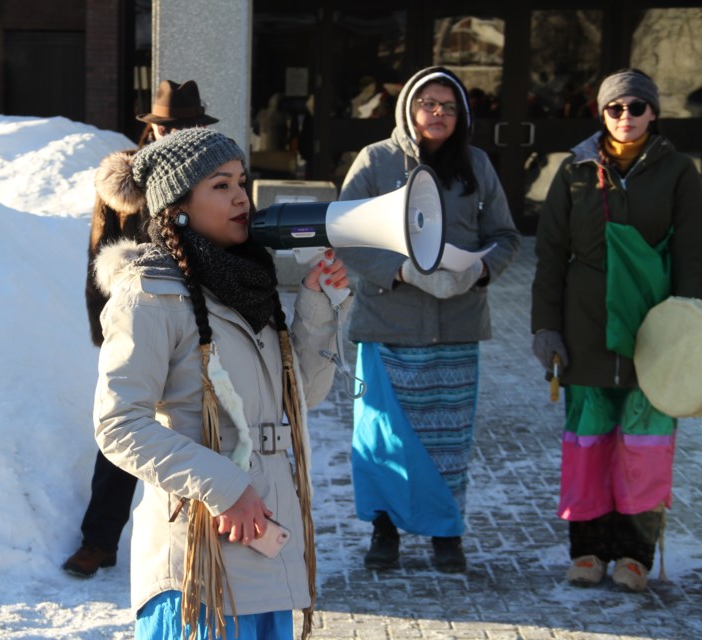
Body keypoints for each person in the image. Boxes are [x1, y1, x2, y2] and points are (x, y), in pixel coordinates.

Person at [91, 127, 350, 639]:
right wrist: (227, 487)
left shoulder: (249, 286)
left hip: (261, 554)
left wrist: (318, 305)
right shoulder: (148, 294)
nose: (241, 198)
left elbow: (304, 398)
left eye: (241, 182)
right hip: (199, 562)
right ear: (177, 206)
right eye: (220, 185)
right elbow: (119, 426)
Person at [336, 66, 520, 573]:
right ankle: (384, 532)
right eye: (428, 104)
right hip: (386, 324)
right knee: (384, 437)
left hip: (455, 327)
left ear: (460, 115)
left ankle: (446, 536)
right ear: (409, 110)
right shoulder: (376, 161)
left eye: (448, 106)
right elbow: (346, 232)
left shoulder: (477, 164)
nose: (438, 113)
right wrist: (398, 271)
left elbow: (506, 235)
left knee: (448, 442)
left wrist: (479, 270)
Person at [531, 69, 702, 592]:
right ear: (601, 113)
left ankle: (634, 555)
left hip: (655, 332)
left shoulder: (679, 173)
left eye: (636, 107)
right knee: (587, 444)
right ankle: (587, 550)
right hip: (585, 329)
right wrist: (546, 328)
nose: (625, 117)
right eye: (615, 108)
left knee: (645, 444)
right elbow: (551, 255)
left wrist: (689, 332)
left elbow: (693, 257)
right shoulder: (575, 171)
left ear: (654, 113)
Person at [63, 79, 220, 578]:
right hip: (140, 319)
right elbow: (99, 253)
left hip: (200, 319)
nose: (175, 133)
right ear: (151, 127)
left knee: (197, 429)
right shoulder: (122, 180)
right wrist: (105, 329)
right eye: (167, 125)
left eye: (186, 125)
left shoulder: (216, 168)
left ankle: (202, 538)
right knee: (126, 427)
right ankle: (100, 539)